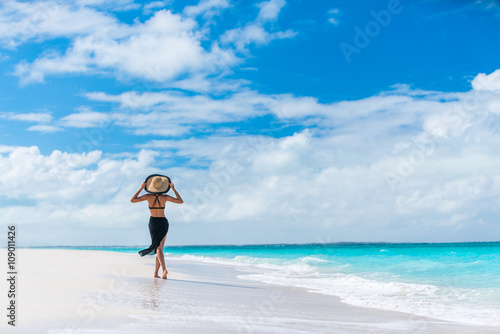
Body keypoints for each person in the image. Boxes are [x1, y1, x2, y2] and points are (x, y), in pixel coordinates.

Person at [130, 176, 183, 279]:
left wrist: (141, 188)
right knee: (160, 248)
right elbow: (180, 201)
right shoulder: (165, 197)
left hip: (153, 223)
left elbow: (133, 200)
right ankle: (156, 273)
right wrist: (173, 189)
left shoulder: (148, 197)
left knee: (158, 247)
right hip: (163, 222)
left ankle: (164, 270)